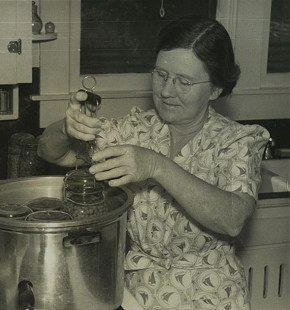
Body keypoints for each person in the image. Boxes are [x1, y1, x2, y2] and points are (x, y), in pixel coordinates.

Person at [38, 16, 269, 310]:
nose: (166, 91)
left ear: (215, 90)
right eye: (161, 75)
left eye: (184, 81)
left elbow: (233, 218)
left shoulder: (237, 141)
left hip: (211, 296)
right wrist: (66, 128)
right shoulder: (136, 129)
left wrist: (156, 165)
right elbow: (52, 153)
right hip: (138, 292)